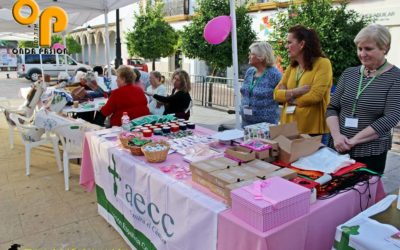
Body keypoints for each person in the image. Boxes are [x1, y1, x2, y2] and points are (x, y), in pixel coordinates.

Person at [326, 24, 400, 174]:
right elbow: (332, 108)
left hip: (370, 153)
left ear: (384, 48)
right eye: (360, 49)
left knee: (363, 193)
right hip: (338, 146)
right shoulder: (349, 74)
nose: (362, 54)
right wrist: (337, 136)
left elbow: (391, 117)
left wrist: (353, 141)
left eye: (368, 49)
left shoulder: (395, 77)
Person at [274, 25, 333, 138]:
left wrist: (289, 97)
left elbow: (315, 96)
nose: (286, 46)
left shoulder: (323, 63)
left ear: (301, 44)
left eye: (289, 42)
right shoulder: (292, 67)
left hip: (313, 130)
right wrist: (296, 91)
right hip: (289, 128)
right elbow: (276, 94)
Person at [240, 41, 282, 127]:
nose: (249, 56)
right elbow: (245, 92)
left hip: (265, 127)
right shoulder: (250, 71)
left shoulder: (274, 74)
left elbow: (282, 96)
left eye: (252, 54)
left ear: (261, 57)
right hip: (246, 124)